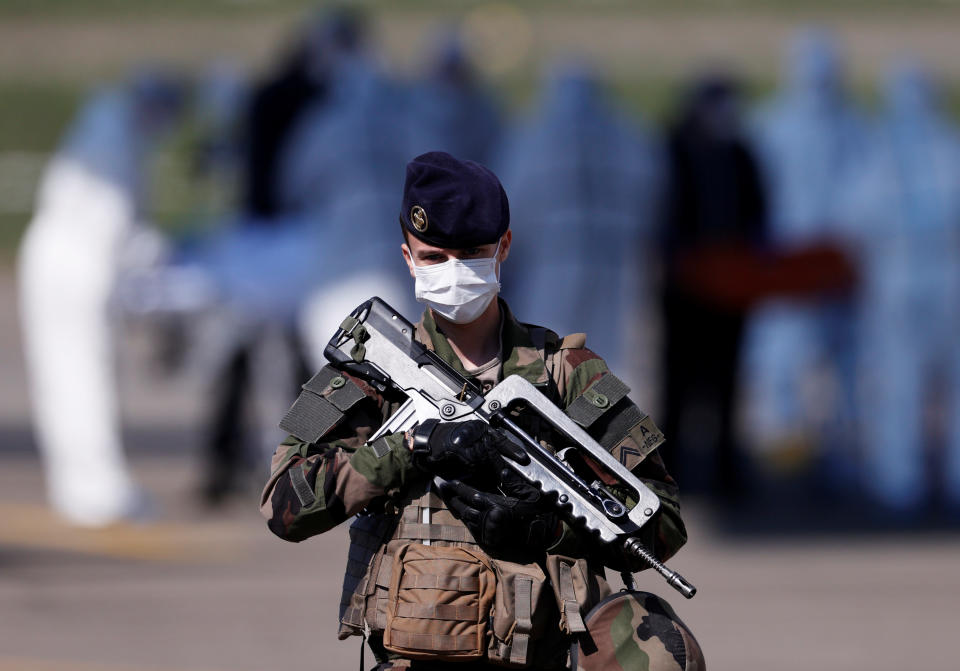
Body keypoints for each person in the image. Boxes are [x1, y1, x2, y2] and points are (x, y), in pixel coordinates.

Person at [261, 152, 702, 670]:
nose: (452, 271)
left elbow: (662, 523)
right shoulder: (370, 374)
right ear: (407, 258)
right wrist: (412, 448)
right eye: (433, 257)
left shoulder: (568, 374)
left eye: (471, 252)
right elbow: (283, 506)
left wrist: (547, 530)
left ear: (504, 247)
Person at [18, 71, 182, 526]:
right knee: (82, 375)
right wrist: (162, 251)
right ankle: (94, 491)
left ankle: (82, 486)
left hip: (61, 259)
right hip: (75, 265)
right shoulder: (116, 134)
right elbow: (116, 226)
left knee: (67, 377)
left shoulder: (107, 122)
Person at [844, 62, 960, 513]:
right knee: (926, 383)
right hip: (938, 275)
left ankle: (900, 479)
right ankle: (930, 477)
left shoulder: (878, 152)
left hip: (904, 276)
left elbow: (853, 219)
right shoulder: (948, 148)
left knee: (898, 382)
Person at [658, 74, 767, 500]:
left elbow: (758, 211)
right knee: (679, 380)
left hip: (731, 287)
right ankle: (671, 469)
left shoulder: (740, 153)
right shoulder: (673, 149)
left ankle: (724, 471)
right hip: (686, 288)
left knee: (727, 381)